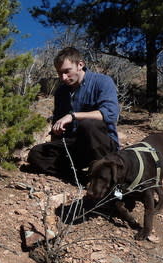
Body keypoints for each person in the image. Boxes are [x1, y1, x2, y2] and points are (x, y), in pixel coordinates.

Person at [26, 47, 120, 183]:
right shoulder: (61, 92)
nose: (63, 77)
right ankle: (80, 178)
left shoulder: (102, 82)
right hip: (76, 146)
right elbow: (57, 122)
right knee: (36, 154)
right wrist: (56, 136)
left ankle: (107, 174)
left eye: (67, 71)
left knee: (88, 124)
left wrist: (73, 115)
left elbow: (110, 114)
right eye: (59, 73)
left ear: (80, 65)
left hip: (102, 144)